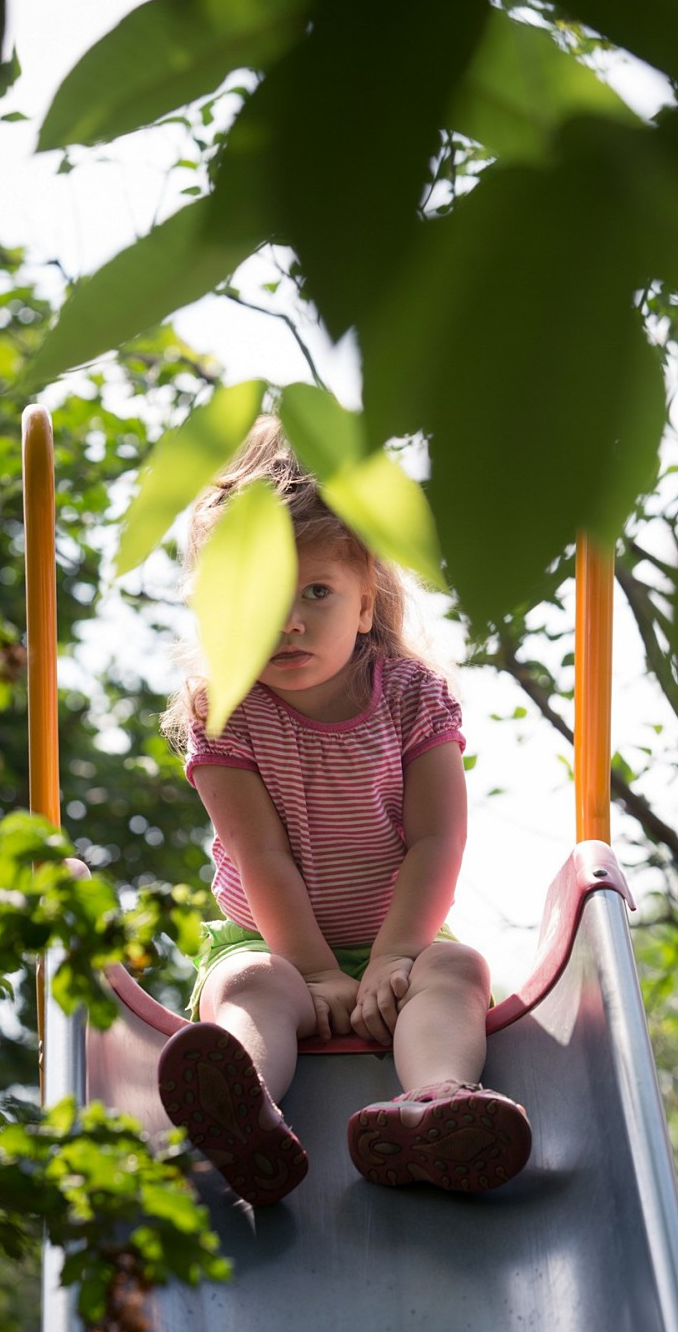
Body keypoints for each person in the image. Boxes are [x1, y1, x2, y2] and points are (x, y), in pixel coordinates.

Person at [157, 417, 532, 1206]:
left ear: (366, 603)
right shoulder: (223, 713)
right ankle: (240, 1111)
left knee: (457, 970)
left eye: (316, 592)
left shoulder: (411, 697)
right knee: (250, 983)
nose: (287, 620)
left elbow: (437, 839)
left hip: (401, 938)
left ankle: (435, 1105)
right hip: (273, 938)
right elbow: (259, 855)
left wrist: (396, 955)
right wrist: (315, 969)